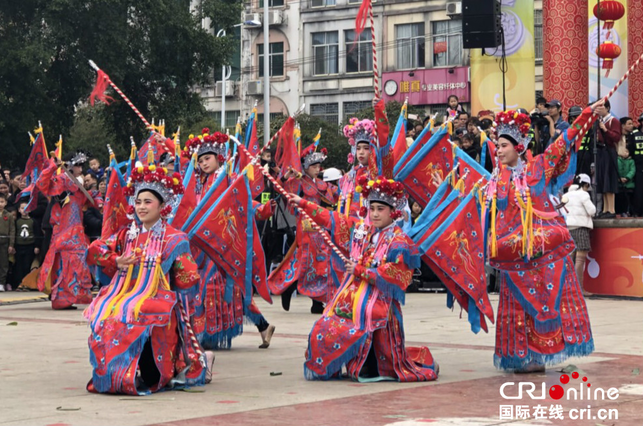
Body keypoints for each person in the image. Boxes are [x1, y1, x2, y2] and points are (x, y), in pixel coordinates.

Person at [484, 101, 600, 373]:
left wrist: (586, 115)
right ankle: (523, 356)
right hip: (514, 253)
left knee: (546, 300)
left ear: (519, 146)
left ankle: (542, 354)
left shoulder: (539, 167)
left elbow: (565, 140)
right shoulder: (497, 178)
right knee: (519, 306)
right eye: (497, 146)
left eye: (503, 146)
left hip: (543, 249)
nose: (498, 151)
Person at [290, 176, 438, 382]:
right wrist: (303, 203)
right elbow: (334, 219)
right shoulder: (363, 231)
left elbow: (397, 275)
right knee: (323, 325)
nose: (375, 214)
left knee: (362, 325)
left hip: (379, 303)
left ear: (392, 212)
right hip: (352, 299)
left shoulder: (399, 241)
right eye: (372, 208)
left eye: (381, 209)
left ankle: (368, 362)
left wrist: (361, 271)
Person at [85, 160, 213, 395]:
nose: (141, 207)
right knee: (104, 312)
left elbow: (187, 281)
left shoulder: (175, 238)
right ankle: (117, 372)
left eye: (148, 202)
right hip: (124, 295)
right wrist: (116, 260)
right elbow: (95, 249)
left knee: (143, 322)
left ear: (162, 205)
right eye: (138, 202)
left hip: (160, 299)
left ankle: (187, 362)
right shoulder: (127, 234)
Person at [182, 129, 275, 349]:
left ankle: (207, 334)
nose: (204, 163)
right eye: (201, 160)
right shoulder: (199, 183)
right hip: (202, 246)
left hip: (224, 243)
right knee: (232, 292)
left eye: (208, 158)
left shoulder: (228, 179)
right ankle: (263, 326)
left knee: (211, 287)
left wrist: (261, 209)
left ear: (219, 157)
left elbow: (241, 203)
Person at [270, 144, 339, 314]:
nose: (317, 170)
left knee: (321, 264)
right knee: (308, 263)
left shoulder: (321, 184)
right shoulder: (298, 183)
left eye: (318, 167)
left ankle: (316, 301)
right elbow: (278, 188)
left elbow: (335, 195)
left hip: (320, 228)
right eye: (313, 167)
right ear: (306, 168)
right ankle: (290, 287)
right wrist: (285, 177)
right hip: (306, 228)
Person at [34, 150, 95, 309]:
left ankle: (71, 297)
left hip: (76, 228)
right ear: (70, 166)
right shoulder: (61, 180)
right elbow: (41, 183)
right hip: (63, 229)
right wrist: (53, 166)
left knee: (77, 263)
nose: (81, 169)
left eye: (82, 165)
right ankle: (61, 299)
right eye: (78, 165)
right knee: (63, 265)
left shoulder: (79, 183)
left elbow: (86, 204)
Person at [562, 174, 596, 297]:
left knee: (570, 259)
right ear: (585, 184)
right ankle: (579, 289)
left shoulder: (565, 195)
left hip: (567, 228)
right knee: (580, 260)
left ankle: (567, 288)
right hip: (580, 228)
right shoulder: (583, 194)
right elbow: (592, 211)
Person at [595, 100, 621, 218]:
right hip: (601, 151)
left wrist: (605, 130)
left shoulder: (613, 121)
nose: (599, 110)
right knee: (603, 180)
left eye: (600, 108)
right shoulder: (600, 121)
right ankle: (605, 209)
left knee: (609, 179)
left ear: (607, 108)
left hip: (609, 151)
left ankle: (611, 209)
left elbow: (616, 137)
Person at [12, 201, 39, 290]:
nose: (25, 210)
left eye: (27, 207)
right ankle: (19, 283)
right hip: (19, 246)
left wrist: (36, 246)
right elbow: (14, 234)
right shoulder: (17, 222)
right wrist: (13, 246)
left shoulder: (33, 221)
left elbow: (36, 234)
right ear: (19, 210)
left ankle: (27, 283)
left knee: (27, 265)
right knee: (19, 265)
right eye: (22, 208)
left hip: (29, 246)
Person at [623, 116, 643, 217]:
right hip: (637, 166)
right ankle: (636, 211)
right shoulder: (634, 134)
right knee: (638, 190)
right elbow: (629, 148)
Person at [0, 194, 15, 292]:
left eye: (2, 202)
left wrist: (11, 244)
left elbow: (12, 230)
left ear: (5, 203)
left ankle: (1, 283)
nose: (0, 204)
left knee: (4, 263)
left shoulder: (8, 215)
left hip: (4, 242)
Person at [616, 145, 635, 217]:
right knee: (620, 198)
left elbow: (632, 170)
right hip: (619, 183)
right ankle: (620, 211)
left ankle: (627, 211)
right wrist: (619, 178)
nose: (626, 153)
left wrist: (627, 178)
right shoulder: (617, 160)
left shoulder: (631, 161)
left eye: (627, 151)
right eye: (624, 151)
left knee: (628, 199)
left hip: (629, 184)